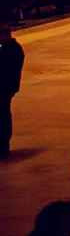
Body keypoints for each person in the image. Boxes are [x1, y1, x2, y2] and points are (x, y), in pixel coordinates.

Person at [0, 22, 21, 154]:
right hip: (8, 87)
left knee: (3, 115)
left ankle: (2, 143)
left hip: (4, 87)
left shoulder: (9, 50)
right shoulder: (13, 48)